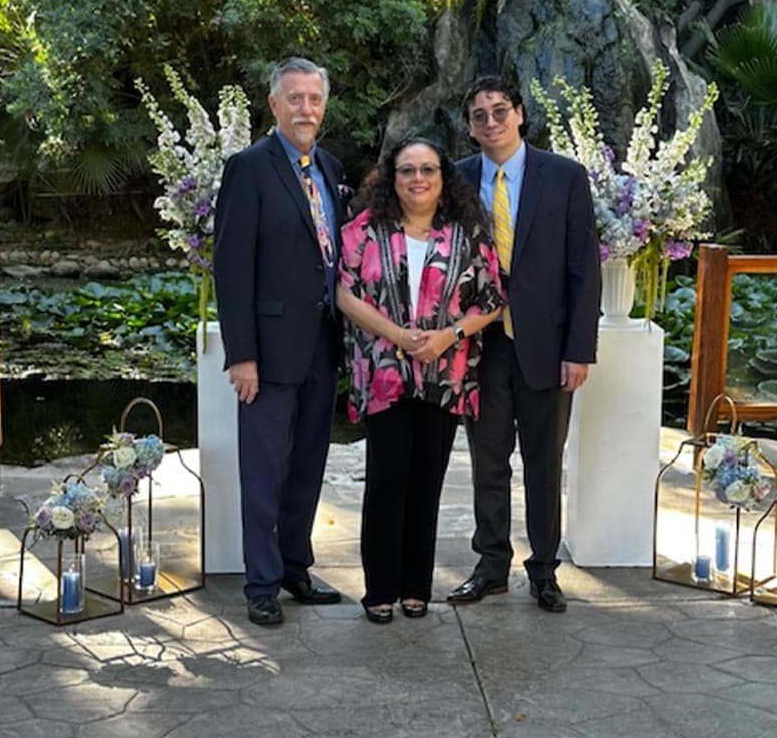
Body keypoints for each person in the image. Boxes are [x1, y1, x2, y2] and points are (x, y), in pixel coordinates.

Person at [448, 76, 601, 613]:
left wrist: (579, 350)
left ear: (519, 114)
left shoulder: (564, 176)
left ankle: (544, 570)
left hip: (547, 345)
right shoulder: (456, 180)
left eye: (500, 111)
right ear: (470, 128)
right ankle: (491, 566)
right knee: (488, 461)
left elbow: (584, 267)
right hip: (482, 346)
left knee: (544, 462)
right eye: (479, 115)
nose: (491, 122)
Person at [336, 136, 504, 624]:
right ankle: (379, 590)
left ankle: (416, 588)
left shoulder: (468, 234)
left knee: (427, 482)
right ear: (392, 178)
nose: (418, 179)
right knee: (386, 480)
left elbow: (491, 300)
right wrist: (398, 335)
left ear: (443, 177)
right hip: (384, 374)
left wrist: (448, 336)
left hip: (444, 375)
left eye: (428, 169)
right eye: (407, 170)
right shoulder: (364, 230)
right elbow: (345, 294)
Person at [213, 56, 347, 627]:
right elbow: (231, 267)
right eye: (295, 98)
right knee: (264, 469)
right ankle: (261, 583)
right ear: (273, 104)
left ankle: (295, 567)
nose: (305, 109)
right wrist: (241, 354)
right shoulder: (248, 169)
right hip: (267, 351)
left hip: (323, 341)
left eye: (314, 99)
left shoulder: (330, 168)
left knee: (308, 463)